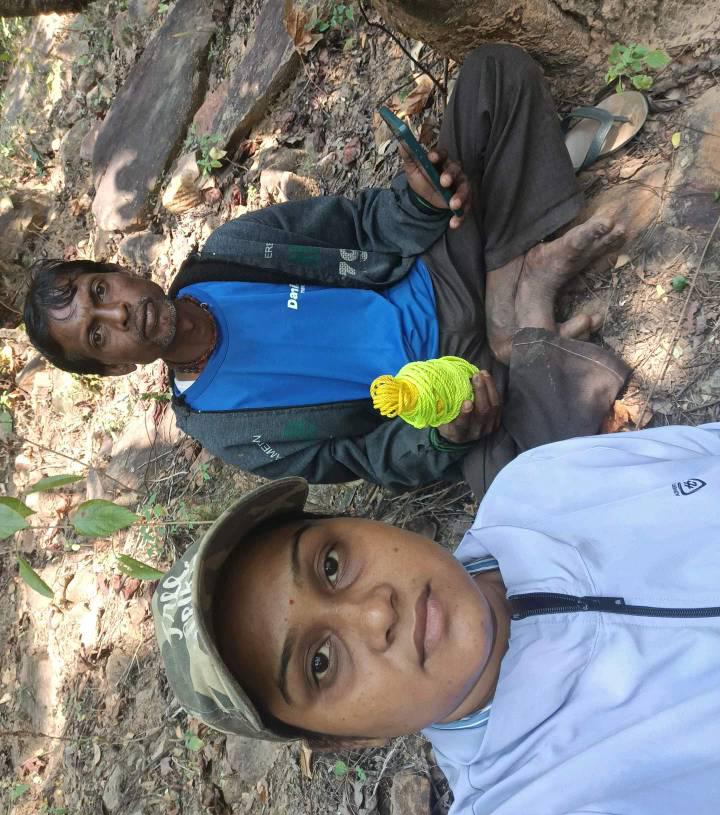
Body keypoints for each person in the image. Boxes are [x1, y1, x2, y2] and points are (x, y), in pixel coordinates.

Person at [152, 421, 720, 815]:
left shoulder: (538, 487)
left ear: (361, 522)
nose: (375, 613)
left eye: (331, 565)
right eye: (319, 663)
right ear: (345, 741)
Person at [23, 45, 630, 497]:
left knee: (492, 76)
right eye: (98, 334)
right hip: (449, 389)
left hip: (436, 272)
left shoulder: (233, 250)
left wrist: (419, 202)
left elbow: (361, 224)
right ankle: (524, 315)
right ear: (116, 367)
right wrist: (443, 435)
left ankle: (512, 300)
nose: (119, 312)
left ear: (119, 270)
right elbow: (364, 457)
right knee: (527, 488)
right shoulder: (226, 427)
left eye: (100, 290)